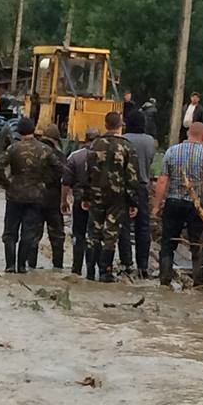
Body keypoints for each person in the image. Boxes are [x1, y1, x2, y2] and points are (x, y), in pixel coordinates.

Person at [153, 122, 203, 287]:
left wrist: (156, 205)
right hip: (197, 206)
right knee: (198, 245)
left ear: (188, 134)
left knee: (168, 244)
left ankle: (164, 282)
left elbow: (162, 181)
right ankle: (198, 284)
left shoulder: (171, 151)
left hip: (173, 202)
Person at [0, 117, 62, 273]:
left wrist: (6, 184)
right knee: (28, 232)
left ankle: (10, 265)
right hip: (35, 196)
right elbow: (59, 169)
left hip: (14, 195)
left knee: (10, 232)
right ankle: (22, 266)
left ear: (19, 131)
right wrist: (44, 181)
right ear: (33, 130)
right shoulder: (45, 149)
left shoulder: (13, 148)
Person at [85, 112, 140, 283]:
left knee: (93, 233)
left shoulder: (95, 145)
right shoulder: (127, 147)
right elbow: (132, 177)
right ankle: (105, 271)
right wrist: (133, 201)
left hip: (96, 195)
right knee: (110, 233)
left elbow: (87, 172)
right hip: (117, 198)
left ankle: (89, 271)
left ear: (105, 124)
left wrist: (85, 196)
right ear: (120, 125)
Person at [118, 111, 156, 278]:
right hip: (142, 186)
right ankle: (143, 266)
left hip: (123, 186)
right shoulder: (150, 141)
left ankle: (126, 263)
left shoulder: (123, 140)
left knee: (124, 226)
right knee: (143, 226)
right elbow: (150, 161)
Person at [61, 128, 100, 279]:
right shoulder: (103, 157)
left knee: (78, 234)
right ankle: (92, 271)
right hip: (98, 203)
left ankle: (76, 269)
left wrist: (63, 201)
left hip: (79, 201)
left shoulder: (75, 156)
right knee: (95, 235)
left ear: (85, 139)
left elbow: (66, 182)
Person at [36, 123, 67, 269]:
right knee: (57, 237)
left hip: (35, 199)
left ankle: (29, 266)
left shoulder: (34, 152)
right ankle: (58, 267)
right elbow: (65, 179)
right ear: (56, 140)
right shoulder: (60, 156)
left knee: (33, 235)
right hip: (54, 201)